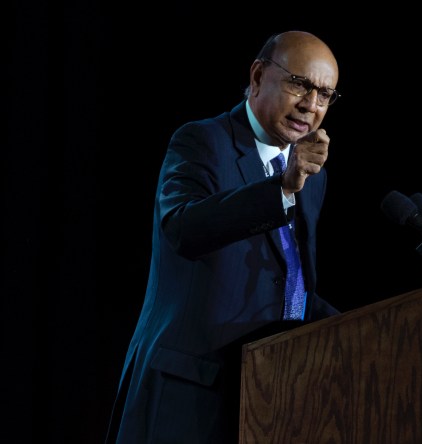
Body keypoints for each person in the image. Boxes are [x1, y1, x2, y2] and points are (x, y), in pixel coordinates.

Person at [105, 30, 342, 443]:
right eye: (299, 84)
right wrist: (281, 190)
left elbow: (292, 284)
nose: (311, 105)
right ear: (256, 77)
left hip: (266, 398)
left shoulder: (310, 178)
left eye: (325, 95)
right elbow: (183, 228)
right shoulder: (202, 141)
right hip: (188, 395)